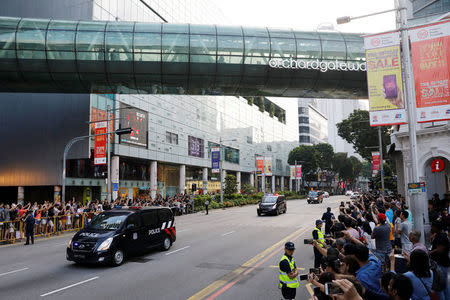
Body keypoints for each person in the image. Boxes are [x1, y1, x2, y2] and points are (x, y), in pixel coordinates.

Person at [429, 220, 449, 300]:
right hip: (442, 263)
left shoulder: (442, 236)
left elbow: (440, 249)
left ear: (436, 227)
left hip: (441, 264)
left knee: (439, 287)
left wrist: (429, 252)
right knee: (444, 285)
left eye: (432, 226)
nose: (431, 228)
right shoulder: (439, 235)